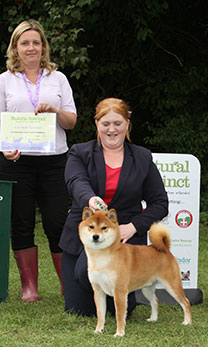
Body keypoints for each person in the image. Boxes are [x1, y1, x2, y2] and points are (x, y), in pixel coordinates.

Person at [59, 97, 169, 317]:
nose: (112, 130)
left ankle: (121, 296)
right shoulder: (80, 152)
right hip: (87, 238)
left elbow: (160, 203)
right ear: (96, 124)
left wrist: (133, 227)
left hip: (124, 242)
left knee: (121, 311)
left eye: (117, 123)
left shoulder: (142, 157)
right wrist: (90, 199)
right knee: (79, 310)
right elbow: (76, 182)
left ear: (127, 124)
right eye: (105, 123)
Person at [0, 19, 77, 302]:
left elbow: (71, 122)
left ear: (43, 46)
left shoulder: (58, 79)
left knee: (58, 221)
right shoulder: (4, 80)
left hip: (54, 161)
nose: (31, 48)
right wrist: (3, 148)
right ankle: (29, 288)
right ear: (15, 48)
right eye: (24, 43)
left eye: (36, 42)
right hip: (15, 162)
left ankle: (66, 283)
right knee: (21, 222)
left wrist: (55, 110)